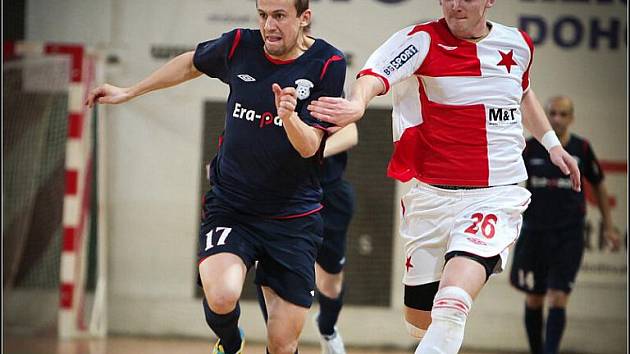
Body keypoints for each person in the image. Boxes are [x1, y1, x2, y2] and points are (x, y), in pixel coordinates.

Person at [307, 0, 581, 353]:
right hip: (432, 199)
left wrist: (552, 144)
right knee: (421, 325)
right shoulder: (420, 41)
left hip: (494, 194)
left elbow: (523, 91)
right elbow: (374, 75)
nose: (454, 4)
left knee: (452, 304)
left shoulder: (518, 45)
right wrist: (358, 103)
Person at [85, 0, 347, 353]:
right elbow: (190, 63)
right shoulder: (240, 44)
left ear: (304, 18)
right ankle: (230, 342)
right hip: (233, 207)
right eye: (263, 15)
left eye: (280, 16)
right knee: (222, 295)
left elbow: (309, 146)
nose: (269, 25)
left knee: (283, 344)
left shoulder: (327, 64)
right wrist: (129, 91)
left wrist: (289, 117)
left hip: (293, 218)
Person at [509, 95, 621, 354]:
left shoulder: (581, 149)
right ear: (545, 115)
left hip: (568, 234)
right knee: (535, 298)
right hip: (534, 233)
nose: (557, 119)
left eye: (563, 114)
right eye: (552, 113)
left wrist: (609, 226)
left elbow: (599, 185)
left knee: (558, 296)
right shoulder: (530, 148)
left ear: (571, 117)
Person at [256, 123, 358, 354]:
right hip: (282, 196)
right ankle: (281, 343)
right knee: (273, 275)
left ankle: (327, 328)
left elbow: (350, 134)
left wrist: (311, 149)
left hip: (328, 197)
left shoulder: (325, 89)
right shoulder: (265, 92)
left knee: (330, 284)